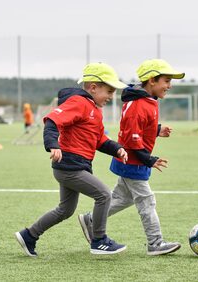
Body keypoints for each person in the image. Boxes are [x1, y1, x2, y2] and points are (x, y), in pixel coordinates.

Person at [15, 62, 129, 257]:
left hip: (75, 166)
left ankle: (29, 235)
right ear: (93, 87)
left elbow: (99, 140)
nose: (112, 97)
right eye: (109, 91)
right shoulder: (79, 103)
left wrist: (117, 149)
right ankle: (99, 240)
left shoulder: (94, 109)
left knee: (65, 210)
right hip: (70, 167)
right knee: (104, 195)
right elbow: (52, 121)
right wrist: (53, 145)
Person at [78, 59, 184, 256]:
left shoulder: (147, 101)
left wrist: (157, 130)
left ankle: (91, 219)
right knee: (146, 200)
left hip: (133, 161)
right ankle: (155, 243)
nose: (169, 86)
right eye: (166, 81)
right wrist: (150, 159)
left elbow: (142, 128)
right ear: (152, 80)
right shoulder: (138, 105)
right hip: (133, 161)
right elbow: (131, 138)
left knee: (123, 198)